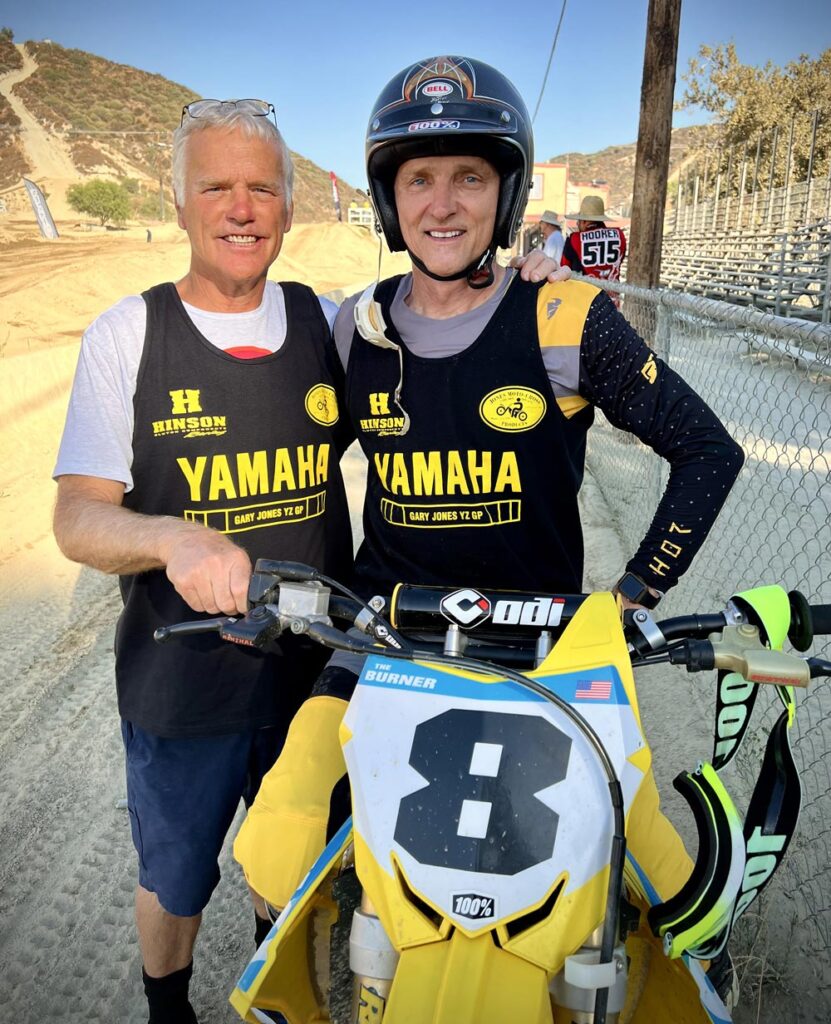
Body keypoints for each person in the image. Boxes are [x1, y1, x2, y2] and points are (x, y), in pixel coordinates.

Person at [233, 56, 745, 1001]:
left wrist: (633, 598)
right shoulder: (357, 327)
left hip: (548, 642)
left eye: (468, 175)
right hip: (387, 635)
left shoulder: (563, 315)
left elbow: (709, 452)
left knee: (660, 864)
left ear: (505, 192)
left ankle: (697, 969)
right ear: (388, 198)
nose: (442, 202)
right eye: (417, 177)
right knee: (282, 827)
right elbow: (284, 460)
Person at [51, 99, 357, 1024]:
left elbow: (442, 340)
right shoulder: (127, 336)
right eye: (215, 186)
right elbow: (75, 518)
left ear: (290, 208)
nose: (240, 207)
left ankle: (280, 991)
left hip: (309, 680)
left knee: (294, 861)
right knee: (176, 877)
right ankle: (169, 1007)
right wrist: (172, 535)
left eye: (261, 186)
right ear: (178, 205)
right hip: (180, 685)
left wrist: (525, 279)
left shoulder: (330, 326)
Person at [560, 193, 626, 284]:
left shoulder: (574, 239)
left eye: (578, 221)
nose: (577, 224)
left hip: (586, 295)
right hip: (612, 296)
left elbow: (564, 269)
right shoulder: (619, 235)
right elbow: (619, 261)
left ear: (584, 221)